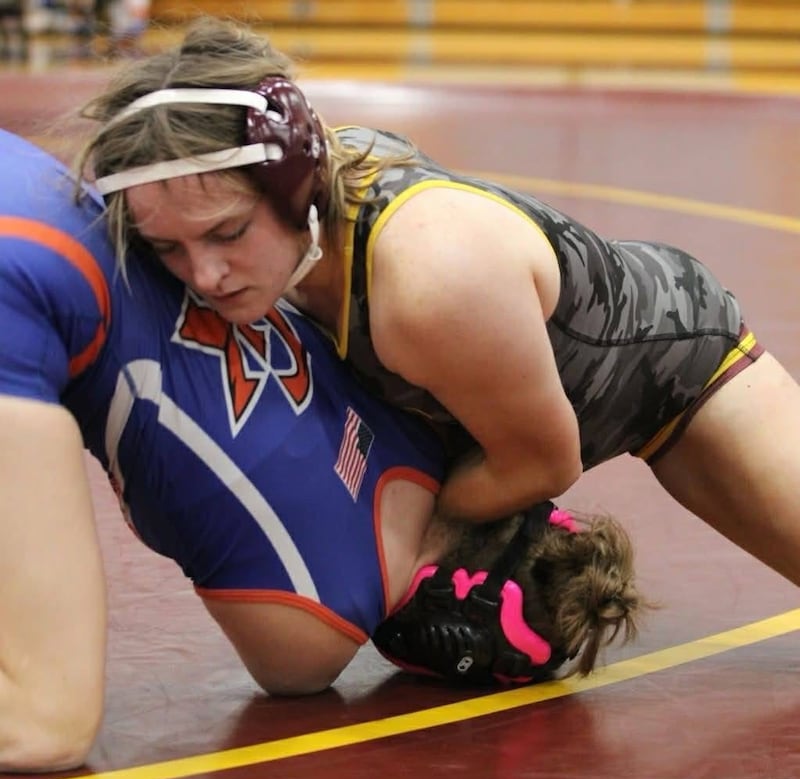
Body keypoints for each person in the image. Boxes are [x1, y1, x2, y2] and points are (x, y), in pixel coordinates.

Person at [75, 15, 800, 592]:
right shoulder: (296, 211)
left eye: (228, 233)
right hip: (516, 395)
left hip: (682, 366)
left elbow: (544, 460)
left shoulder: (431, 282)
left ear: (298, 186)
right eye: (167, 248)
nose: (203, 274)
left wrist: (401, 553)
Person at [0, 128, 644, 773]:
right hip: (24, 303)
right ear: (448, 642)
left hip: (35, 185)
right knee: (48, 729)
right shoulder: (312, 639)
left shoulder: (410, 417)